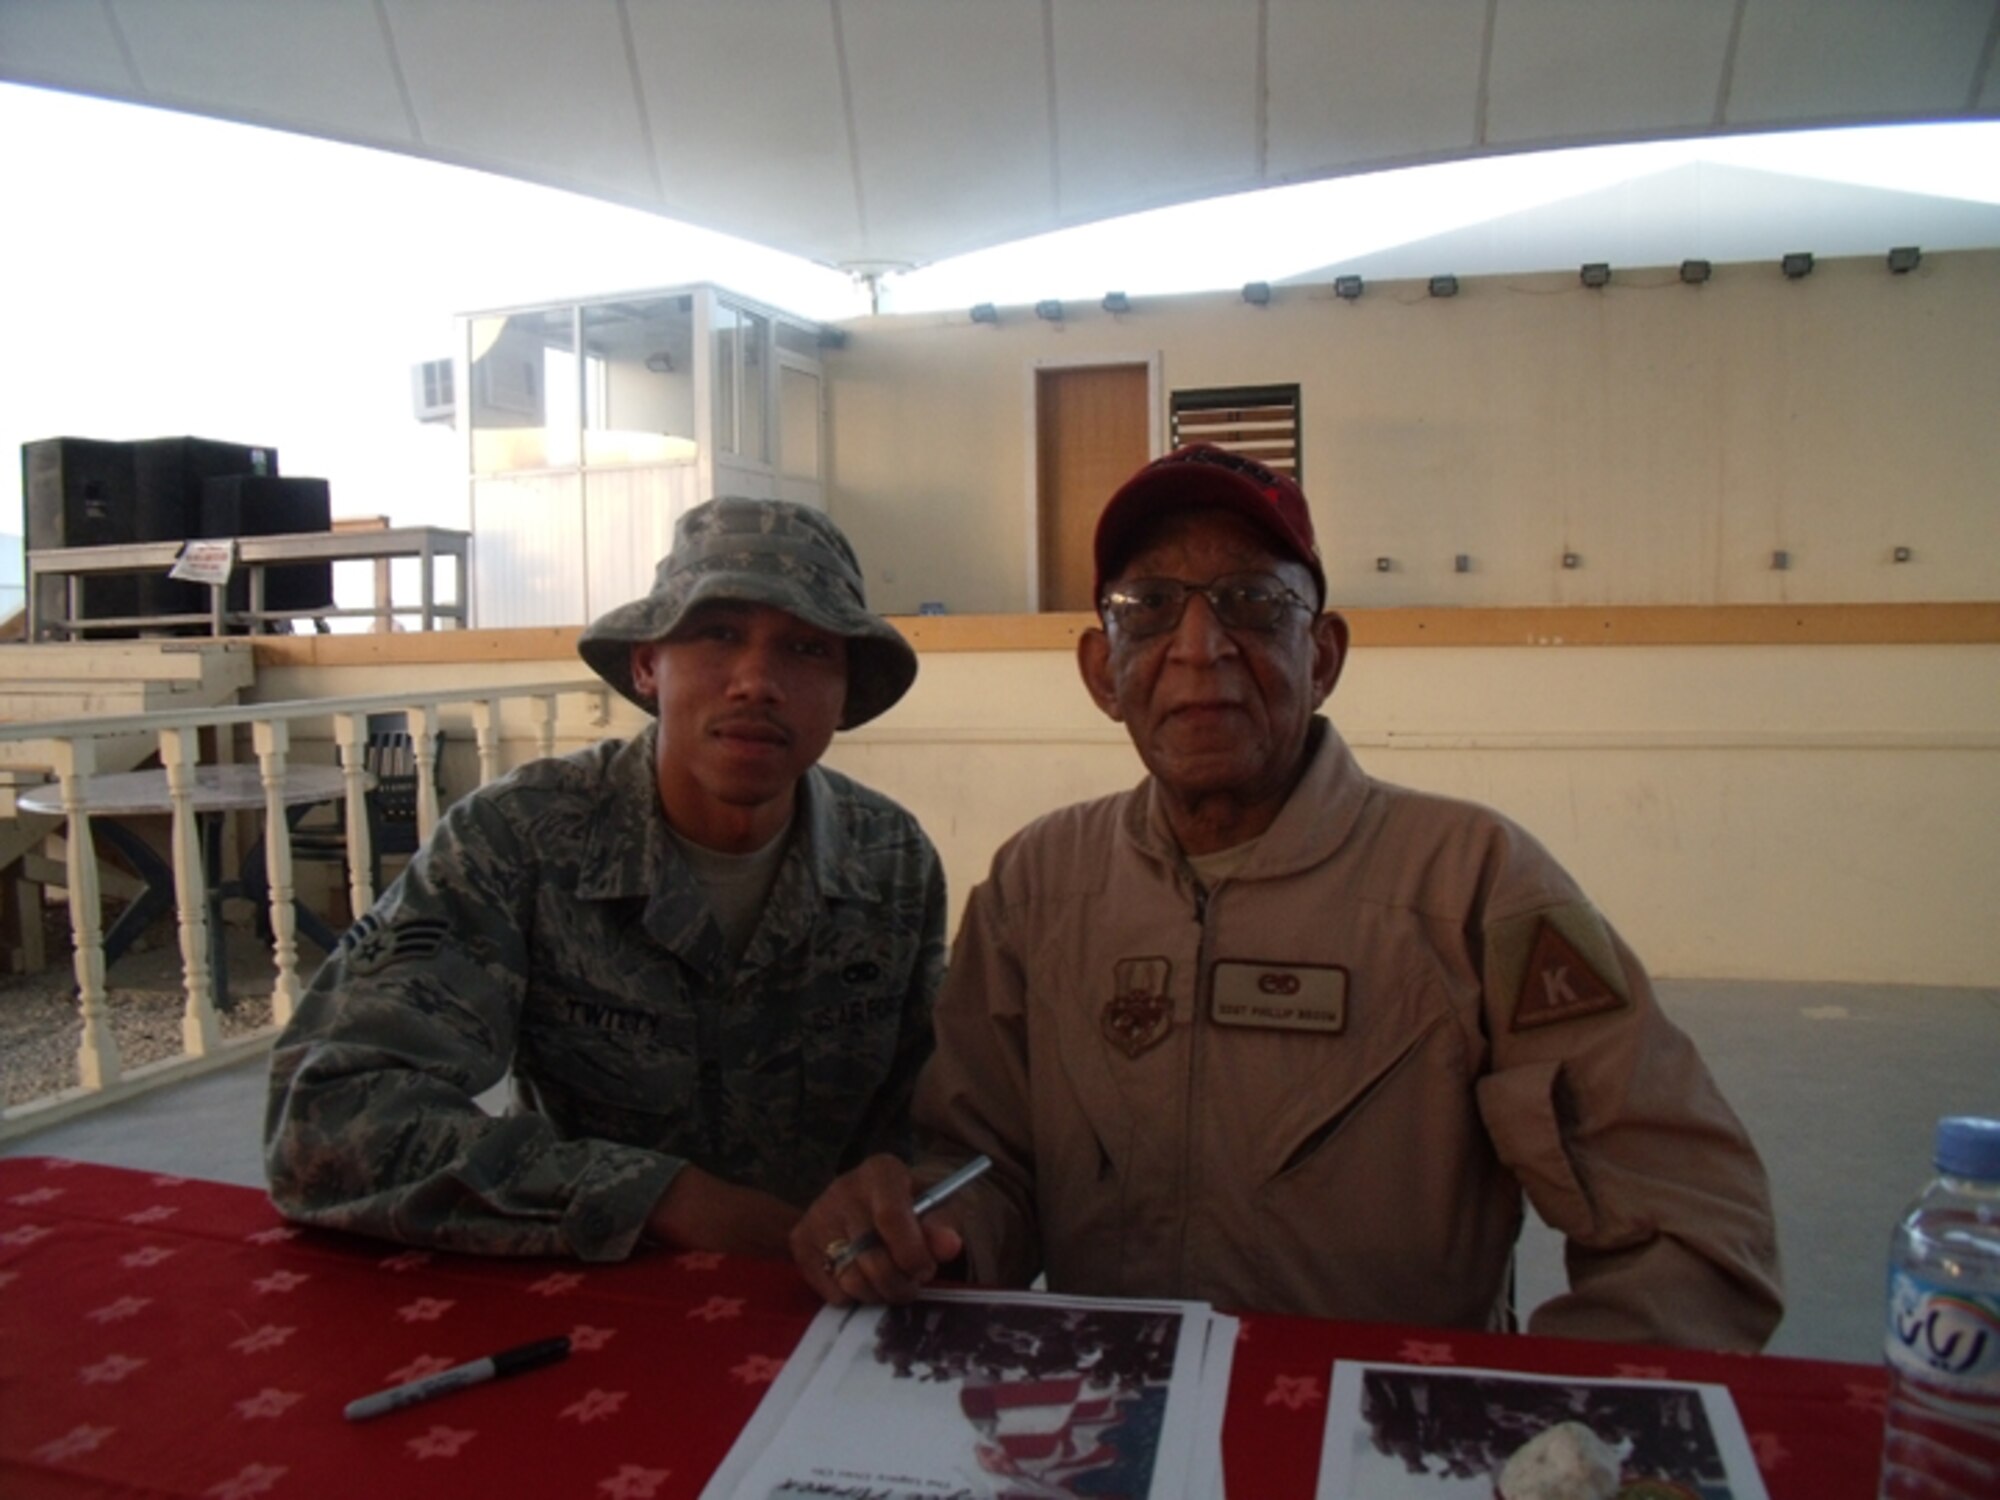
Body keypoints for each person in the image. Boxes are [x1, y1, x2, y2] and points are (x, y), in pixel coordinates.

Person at [790, 445, 1783, 1350]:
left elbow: (1689, 1221)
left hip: (1372, 1441)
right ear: (1101, 671)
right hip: (1113, 1427)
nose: (1198, 648)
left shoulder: (1474, 884)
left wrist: (1538, 1419)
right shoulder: (1038, 886)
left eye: (1252, 605)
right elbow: (981, 1162)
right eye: (1147, 610)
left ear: (1325, 656)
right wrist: (932, 1234)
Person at [266, 497, 946, 1261]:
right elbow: (324, 1121)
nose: (757, 680)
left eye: (807, 649)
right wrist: (663, 1198)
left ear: (846, 691)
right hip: (595, 1296)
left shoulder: (891, 863)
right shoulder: (519, 841)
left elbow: (935, 1126)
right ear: (648, 665)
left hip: (829, 1313)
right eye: (718, 634)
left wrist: (900, 1202)